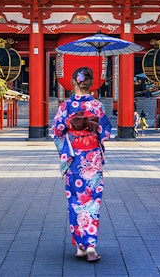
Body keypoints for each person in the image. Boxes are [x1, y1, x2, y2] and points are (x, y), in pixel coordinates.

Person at [52, 67, 112, 263]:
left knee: (75, 201)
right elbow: (105, 132)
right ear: (91, 83)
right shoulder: (97, 106)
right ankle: (91, 245)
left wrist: (68, 145)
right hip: (92, 158)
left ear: (73, 81)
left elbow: (57, 130)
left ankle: (80, 246)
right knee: (93, 200)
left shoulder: (66, 106)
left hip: (75, 158)